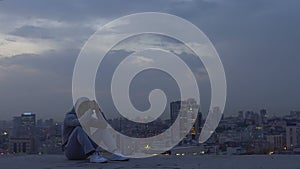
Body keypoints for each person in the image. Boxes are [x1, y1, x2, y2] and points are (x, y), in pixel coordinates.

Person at [62, 97, 129, 163]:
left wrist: (97, 111)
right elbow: (81, 122)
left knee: (102, 130)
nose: (84, 109)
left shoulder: (88, 118)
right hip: (71, 152)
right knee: (78, 129)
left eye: (86, 107)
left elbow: (103, 125)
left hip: (84, 153)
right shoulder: (69, 118)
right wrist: (91, 109)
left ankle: (114, 152)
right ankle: (92, 154)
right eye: (82, 107)